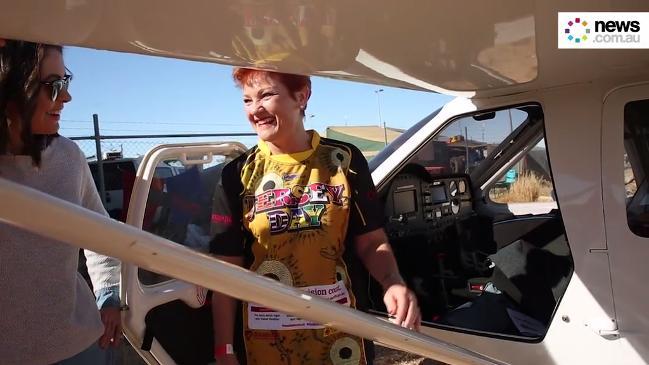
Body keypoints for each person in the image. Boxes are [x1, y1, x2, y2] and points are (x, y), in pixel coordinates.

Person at [209, 68, 420, 365]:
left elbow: (372, 241)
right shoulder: (237, 175)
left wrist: (392, 281)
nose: (255, 110)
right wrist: (224, 350)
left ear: (302, 95)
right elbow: (224, 273)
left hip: (340, 340)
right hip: (265, 345)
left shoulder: (344, 161)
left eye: (266, 95)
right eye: (247, 100)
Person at [0, 40, 122, 364]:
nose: (66, 97)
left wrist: (109, 295)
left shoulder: (69, 158)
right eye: (53, 86)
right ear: (11, 86)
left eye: (65, 83)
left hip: (80, 347)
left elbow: (101, 235)